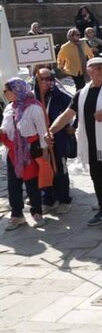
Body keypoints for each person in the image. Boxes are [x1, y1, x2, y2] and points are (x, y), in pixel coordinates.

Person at [48, 57, 102, 226]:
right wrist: (51, 130)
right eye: (98, 68)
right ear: (89, 70)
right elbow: (68, 114)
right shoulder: (81, 93)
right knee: (97, 176)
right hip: (91, 143)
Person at [2, 78, 48, 230]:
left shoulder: (34, 108)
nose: (4, 93)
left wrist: (44, 152)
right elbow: (5, 128)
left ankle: (37, 211)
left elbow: (42, 132)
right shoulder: (9, 108)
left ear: (16, 90)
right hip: (13, 152)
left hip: (30, 151)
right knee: (13, 184)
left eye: (6, 90)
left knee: (32, 183)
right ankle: (17, 214)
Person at [34, 68, 73, 216]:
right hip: (40, 142)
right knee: (44, 169)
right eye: (41, 79)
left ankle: (64, 200)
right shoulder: (32, 97)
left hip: (59, 140)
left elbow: (74, 111)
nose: (45, 82)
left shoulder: (60, 95)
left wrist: (71, 126)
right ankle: (48, 200)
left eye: (48, 78)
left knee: (60, 170)